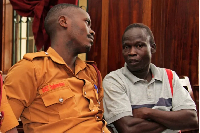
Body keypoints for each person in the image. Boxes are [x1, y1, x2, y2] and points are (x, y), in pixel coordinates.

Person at [3, 3, 110, 133]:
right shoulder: (31, 68)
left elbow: (98, 119)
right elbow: (5, 124)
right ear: (63, 22)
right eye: (87, 23)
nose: (92, 31)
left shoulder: (91, 72)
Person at [103, 23, 198, 133]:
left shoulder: (169, 76)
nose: (131, 52)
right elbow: (129, 129)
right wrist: (173, 121)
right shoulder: (114, 81)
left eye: (139, 45)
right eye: (126, 47)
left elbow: (192, 119)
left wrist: (147, 112)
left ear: (152, 48)